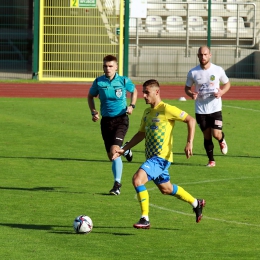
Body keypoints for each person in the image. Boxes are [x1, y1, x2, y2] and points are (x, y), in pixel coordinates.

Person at [112, 79, 205, 229]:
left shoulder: (167, 109)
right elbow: (141, 134)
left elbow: (191, 120)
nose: (143, 95)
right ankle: (196, 203)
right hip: (152, 158)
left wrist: (189, 142)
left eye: (147, 92)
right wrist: (124, 148)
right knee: (166, 189)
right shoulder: (147, 112)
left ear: (157, 92)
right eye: (143, 92)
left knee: (137, 180)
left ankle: (145, 218)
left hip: (161, 158)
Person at [88, 55, 137, 195]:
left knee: (115, 153)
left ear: (116, 67)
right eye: (105, 66)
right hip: (106, 122)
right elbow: (90, 96)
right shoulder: (99, 82)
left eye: (110, 66)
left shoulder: (123, 80)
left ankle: (117, 184)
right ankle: (126, 150)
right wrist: (93, 112)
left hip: (121, 119)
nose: (107, 68)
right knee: (112, 155)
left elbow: (134, 91)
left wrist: (132, 106)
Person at [185, 46, 231, 167]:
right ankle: (211, 160)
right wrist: (191, 94)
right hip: (200, 110)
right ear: (198, 56)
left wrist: (221, 92)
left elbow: (227, 84)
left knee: (216, 134)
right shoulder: (193, 72)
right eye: (201, 55)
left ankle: (221, 139)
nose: (203, 57)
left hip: (215, 108)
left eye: (205, 54)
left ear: (210, 55)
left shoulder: (218, 70)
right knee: (206, 135)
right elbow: (187, 88)